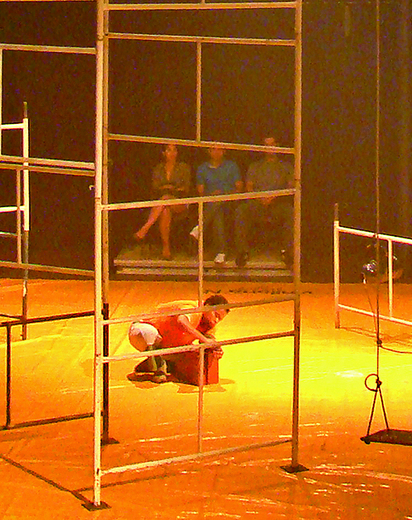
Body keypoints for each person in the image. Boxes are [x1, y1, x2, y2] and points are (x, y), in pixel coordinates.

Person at [125, 294, 230, 386]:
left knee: (190, 352)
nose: (216, 320)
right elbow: (182, 321)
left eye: (219, 319)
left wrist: (217, 349)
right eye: (215, 315)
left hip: (166, 343)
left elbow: (210, 339)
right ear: (207, 307)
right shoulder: (194, 308)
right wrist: (204, 339)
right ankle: (159, 366)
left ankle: (158, 362)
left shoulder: (209, 324)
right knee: (150, 333)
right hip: (141, 330)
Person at [235, 135, 293, 269]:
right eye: (266, 145)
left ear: (277, 146)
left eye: (272, 144)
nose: (269, 148)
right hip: (257, 203)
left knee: (290, 211)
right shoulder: (254, 166)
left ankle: (288, 252)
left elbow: (290, 187)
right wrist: (260, 197)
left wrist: (274, 197)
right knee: (241, 210)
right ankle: (242, 252)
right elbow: (249, 187)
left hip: (278, 203)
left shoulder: (286, 166)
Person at [134, 143, 193, 259]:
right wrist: (169, 188)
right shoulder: (158, 168)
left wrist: (170, 189)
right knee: (165, 209)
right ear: (164, 153)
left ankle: (145, 228)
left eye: (174, 150)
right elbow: (155, 187)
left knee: (165, 198)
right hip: (162, 203)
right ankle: (166, 248)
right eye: (169, 150)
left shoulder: (184, 167)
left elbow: (185, 188)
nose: (172, 153)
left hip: (180, 202)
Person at [194, 144, 242, 264]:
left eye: (219, 149)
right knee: (217, 212)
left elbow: (239, 187)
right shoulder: (202, 168)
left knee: (218, 202)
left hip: (230, 202)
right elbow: (200, 191)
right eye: (213, 149)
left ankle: (200, 227)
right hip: (210, 202)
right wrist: (211, 195)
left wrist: (225, 193)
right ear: (208, 151)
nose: (217, 152)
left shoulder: (231, 166)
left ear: (224, 151)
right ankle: (221, 252)